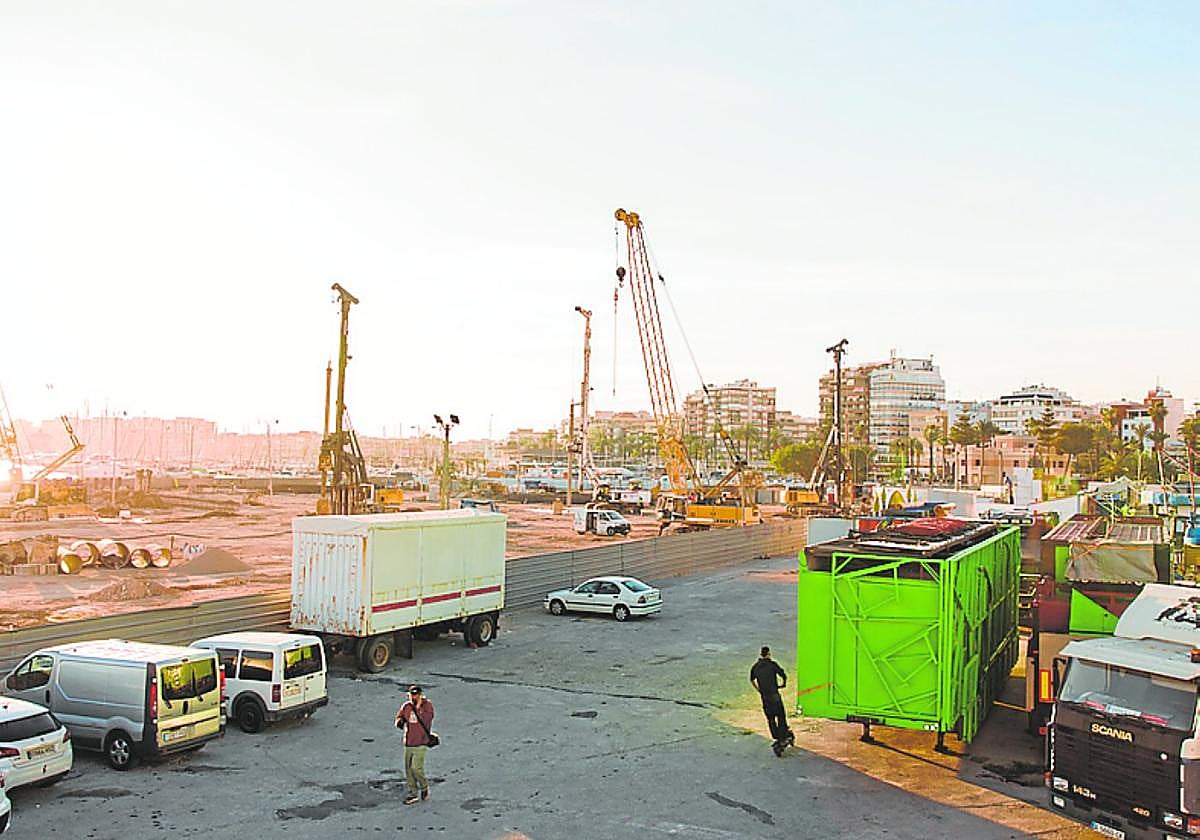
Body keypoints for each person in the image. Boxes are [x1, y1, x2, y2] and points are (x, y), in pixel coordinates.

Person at [395, 684, 435, 803]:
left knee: (416, 768)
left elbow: (428, 719)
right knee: (408, 769)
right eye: (411, 695)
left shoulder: (427, 706)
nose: (413, 697)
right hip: (409, 742)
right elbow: (398, 717)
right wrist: (399, 722)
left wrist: (418, 707)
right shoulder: (406, 706)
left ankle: (424, 786)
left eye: (416, 695)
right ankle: (413, 793)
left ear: (420, 695)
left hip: (421, 742)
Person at [750, 646, 793, 756]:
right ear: (768, 653)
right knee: (781, 715)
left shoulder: (755, 667)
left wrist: (759, 690)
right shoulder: (772, 665)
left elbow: (752, 680)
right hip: (774, 695)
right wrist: (783, 684)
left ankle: (776, 736)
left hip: (765, 697)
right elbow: (783, 675)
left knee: (771, 718)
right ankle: (783, 734)